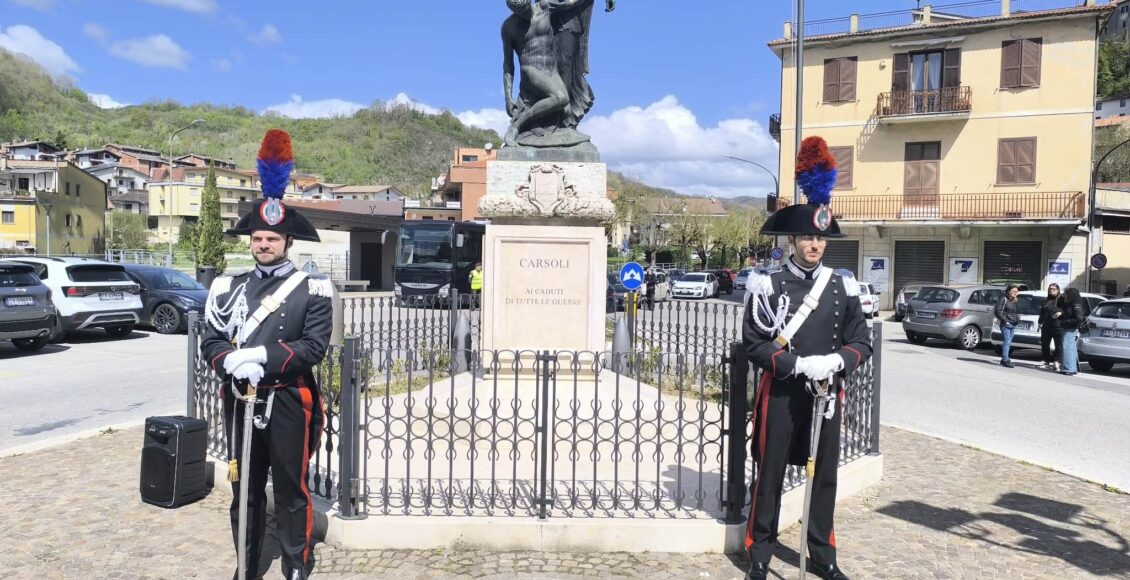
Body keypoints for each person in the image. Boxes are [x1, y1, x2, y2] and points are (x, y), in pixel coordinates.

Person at [202, 129, 334, 580]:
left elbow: (313, 346)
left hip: (288, 401)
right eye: (257, 238)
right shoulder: (228, 286)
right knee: (246, 489)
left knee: (293, 489)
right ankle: (247, 564)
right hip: (239, 401)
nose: (263, 245)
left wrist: (261, 355)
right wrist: (228, 362)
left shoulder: (311, 288)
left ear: (287, 242)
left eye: (272, 239)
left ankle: (297, 563)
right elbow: (212, 339)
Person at [743, 136, 872, 580]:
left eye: (820, 239)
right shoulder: (767, 284)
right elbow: (755, 343)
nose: (814, 245)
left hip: (826, 395)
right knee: (771, 473)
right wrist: (796, 365)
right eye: (807, 238)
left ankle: (823, 554)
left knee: (825, 479)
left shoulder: (843, 286)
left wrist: (837, 362)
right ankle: (759, 551)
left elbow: (862, 341)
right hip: (782, 391)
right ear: (793, 239)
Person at [1058, 288, 1085, 376]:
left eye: (1065, 293)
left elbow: (1079, 316)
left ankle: (1068, 368)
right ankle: (1072, 368)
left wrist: (1078, 325)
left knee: (1067, 347)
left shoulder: (1075, 303)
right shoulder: (1071, 303)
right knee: (1071, 348)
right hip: (1069, 326)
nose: (1064, 295)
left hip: (1071, 326)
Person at [1037, 284, 1064, 371]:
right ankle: (1046, 360)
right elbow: (1042, 312)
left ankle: (1057, 361)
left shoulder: (1062, 299)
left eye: (1053, 289)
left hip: (1058, 325)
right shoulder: (1046, 300)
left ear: (1058, 290)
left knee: (1058, 345)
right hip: (1047, 325)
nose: (1051, 290)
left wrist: (1061, 313)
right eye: (1050, 289)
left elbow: (1068, 310)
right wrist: (1040, 322)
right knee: (1045, 343)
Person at [994, 285, 1020, 368]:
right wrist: (1005, 321)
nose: (1015, 293)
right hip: (1006, 324)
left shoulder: (1014, 300)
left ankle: (1003, 359)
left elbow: (1014, 312)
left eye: (1016, 291)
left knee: (1008, 342)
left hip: (1013, 324)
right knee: (1007, 341)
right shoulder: (1003, 299)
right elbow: (997, 311)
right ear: (1008, 291)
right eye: (1013, 291)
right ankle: (1006, 360)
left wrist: (1017, 319)